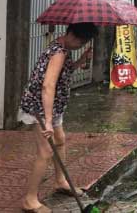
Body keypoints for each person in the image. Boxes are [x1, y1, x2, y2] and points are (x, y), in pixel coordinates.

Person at [19, 23, 98, 213]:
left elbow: (65, 71)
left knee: (60, 140)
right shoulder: (59, 52)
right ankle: (29, 200)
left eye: (84, 42)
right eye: (81, 40)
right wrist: (47, 121)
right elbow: (48, 86)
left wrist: (81, 60)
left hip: (53, 106)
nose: (81, 44)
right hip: (40, 107)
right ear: (72, 34)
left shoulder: (63, 47)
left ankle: (60, 181)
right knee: (45, 151)